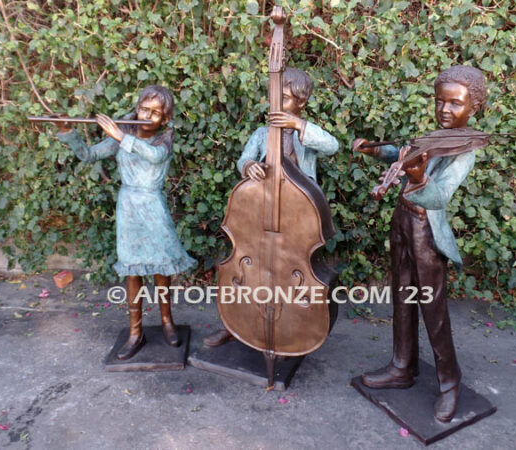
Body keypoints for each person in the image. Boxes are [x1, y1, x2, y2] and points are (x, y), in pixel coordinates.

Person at [352, 65, 487, 422]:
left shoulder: (464, 150)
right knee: (402, 296)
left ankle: (449, 381)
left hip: (427, 230)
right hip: (402, 221)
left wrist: (419, 178)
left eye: (454, 104)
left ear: (473, 107)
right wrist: (376, 151)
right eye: (439, 101)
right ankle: (402, 366)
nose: (444, 110)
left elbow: (440, 195)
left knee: (432, 308)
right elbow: (404, 153)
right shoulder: (431, 136)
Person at [55, 85, 197, 360]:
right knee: (133, 271)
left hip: (153, 206)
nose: (147, 115)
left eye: (156, 113)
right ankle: (135, 331)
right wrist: (67, 131)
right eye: (144, 108)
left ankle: (167, 321)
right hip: (129, 207)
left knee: (160, 266)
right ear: (137, 107)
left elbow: (154, 156)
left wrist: (119, 135)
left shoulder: (163, 139)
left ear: (165, 119)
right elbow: (89, 155)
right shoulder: (125, 134)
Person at [204, 67, 339, 347]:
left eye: (286, 99)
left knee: (288, 270)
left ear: (301, 103)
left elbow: (332, 145)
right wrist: (249, 166)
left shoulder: (306, 136)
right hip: (260, 212)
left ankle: (293, 329)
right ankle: (235, 324)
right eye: (275, 98)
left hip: (299, 215)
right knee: (251, 268)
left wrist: (299, 126)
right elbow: (243, 159)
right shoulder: (261, 133)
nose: (277, 106)